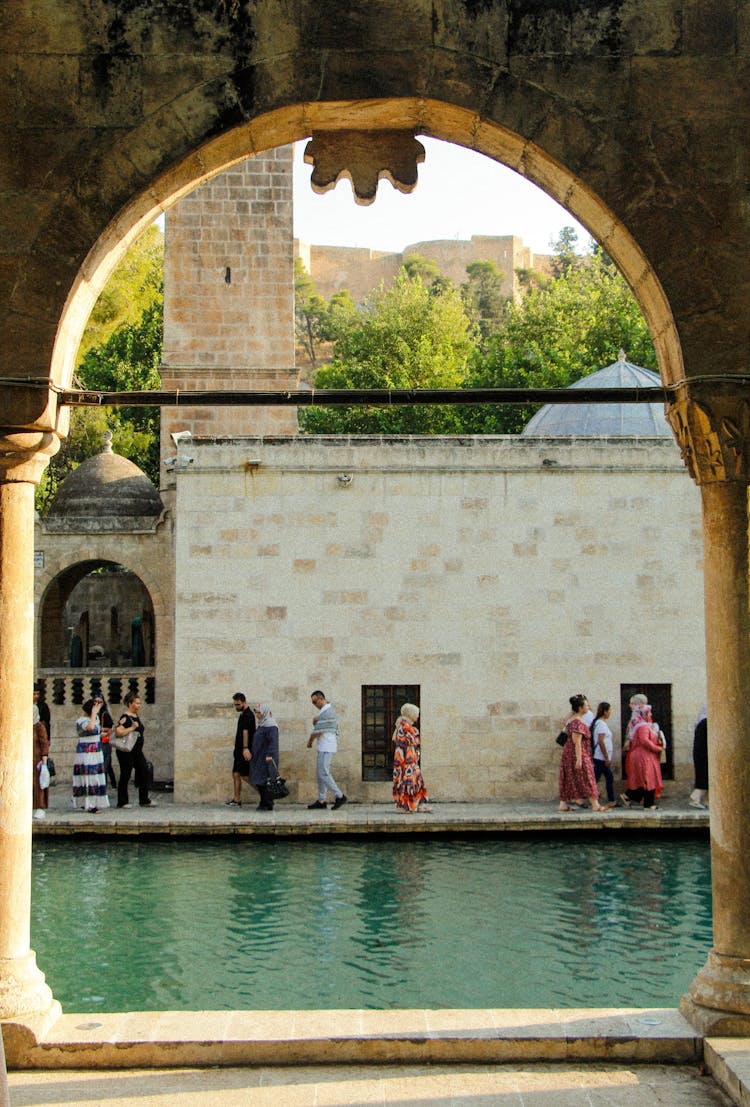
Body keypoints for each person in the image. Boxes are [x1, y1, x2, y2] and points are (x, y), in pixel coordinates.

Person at [558, 694, 613, 812]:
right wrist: (579, 759)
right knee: (588, 777)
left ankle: (563, 804)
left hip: (571, 753)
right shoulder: (577, 722)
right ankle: (595, 805)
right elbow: (577, 742)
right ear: (580, 708)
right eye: (586, 705)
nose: (588, 706)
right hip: (578, 752)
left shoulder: (572, 719)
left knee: (569, 777)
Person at [306, 690, 347, 810]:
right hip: (324, 745)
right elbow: (321, 724)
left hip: (327, 746)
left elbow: (318, 730)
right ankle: (321, 800)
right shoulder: (325, 711)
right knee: (320, 773)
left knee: (323, 772)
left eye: (315, 702)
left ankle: (339, 796)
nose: (314, 704)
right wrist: (317, 720)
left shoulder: (327, 711)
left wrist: (310, 741)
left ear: (321, 698)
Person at [114, 691, 155, 809]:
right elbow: (118, 732)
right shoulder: (125, 717)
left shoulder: (135, 716)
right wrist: (132, 728)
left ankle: (144, 800)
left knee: (144, 771)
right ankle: (122, 802)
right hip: (126, 751)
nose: (139, 705)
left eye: (139, 703)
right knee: (125, 774)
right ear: (130, 703)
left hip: (137, 751)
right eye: (137, 703)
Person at [620, 703, 663, 809]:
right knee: (648, 779)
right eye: (648, 713)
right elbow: (644, 741)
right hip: (643, 756)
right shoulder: (642, 727)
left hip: (646, 756)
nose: (650, 714)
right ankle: (648, 804)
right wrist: (657, 748)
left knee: (645, 779)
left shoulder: (644, 726)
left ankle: (628, 796)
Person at [72, 696, 110, 813]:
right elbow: (90, 727)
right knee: (89, 777)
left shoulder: (96, 718)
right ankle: (90, 805)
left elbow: (95, 731)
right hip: (86, 753)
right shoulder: (82, 720)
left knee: (95, 777)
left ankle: (91, 803)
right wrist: (94, 713)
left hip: (95, 751)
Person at [392, 702, 430, 813]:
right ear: (410, 714)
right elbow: (414, 741)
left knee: (417, 781)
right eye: (416, 713)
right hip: (405, 761)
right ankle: (406, 806)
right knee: (407, 783)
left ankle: (419, 804)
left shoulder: (406, 726)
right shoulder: (405, 726)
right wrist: (416, 734)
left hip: (409, 759)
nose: (418, 716)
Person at [225, 692, 255, 807]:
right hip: (239, 751)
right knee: (236, 774)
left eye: (238, 704)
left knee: (245, 775)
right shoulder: (243, 714)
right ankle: (237, 799)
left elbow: (246, 732)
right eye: (235, 705)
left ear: (244, 702)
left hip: (244, 751)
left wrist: (245, 748)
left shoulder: (248, 715)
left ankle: (264, 794)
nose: (236, 707)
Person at [250, 703, 279, 811]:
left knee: (264, 781)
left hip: (266, 757)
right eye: (256, 712)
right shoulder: (262, 724)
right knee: (259, 780)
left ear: (264, 712)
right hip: (259, 757)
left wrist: (270, 755)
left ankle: (266, 803)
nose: (257, 714)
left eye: (258, 712)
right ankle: (265, 801)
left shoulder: (271, 726)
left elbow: (273, 742)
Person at [591, 701, 615, 805]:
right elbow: (601, 741)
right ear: (605, 712)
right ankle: (610, 800)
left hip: (600, 757)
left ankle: (591, 797)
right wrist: (606, 758)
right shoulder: (601, 724)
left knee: (597, 778)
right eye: (609, 711)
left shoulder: (600, 723)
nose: (610, 713)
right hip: (601, 757)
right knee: (608, 778)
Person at [32, 698, 50, 821]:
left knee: (39, 784)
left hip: (37, 759)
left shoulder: (39, 727)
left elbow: (44, 743)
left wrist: (44, 762)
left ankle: (40, 807)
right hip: (26, 759)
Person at [690, 706, 709, 808]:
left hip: (701, 755)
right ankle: (695, 798)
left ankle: (706, 802)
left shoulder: (701, 723)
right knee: (704, 780)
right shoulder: (705, 723)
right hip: (704, 756)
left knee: (705, 779)